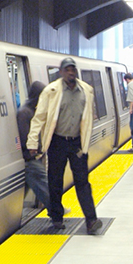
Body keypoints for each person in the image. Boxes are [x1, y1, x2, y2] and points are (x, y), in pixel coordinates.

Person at [27, 57, 102, 234]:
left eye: (73, 69)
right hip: (57, 142)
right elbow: (40, 117)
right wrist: (32, 142)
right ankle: (57, 218)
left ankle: (91, 220)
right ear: (61, 72)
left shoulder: (86, 91)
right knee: (55, 181)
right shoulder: (50, 91)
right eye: (67, 69)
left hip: (77, 142)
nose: (71, 72)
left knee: (82, 181)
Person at [17, 81, 53, 213]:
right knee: (44, 185)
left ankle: (15, 214)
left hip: (33, 157)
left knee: (21, 192)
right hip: (29, 159)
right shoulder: (24, 112)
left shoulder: (31, 110)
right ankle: (56, 211)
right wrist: (36, 148)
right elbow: (25, 137)